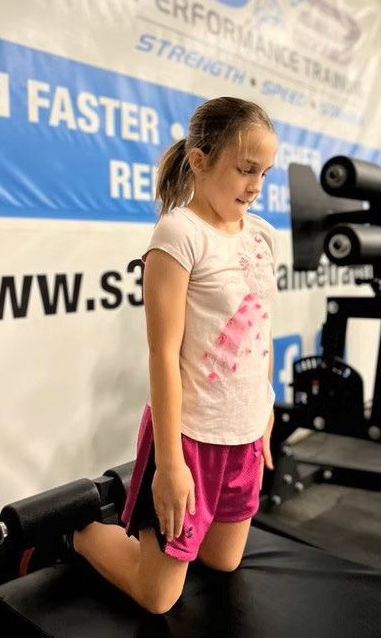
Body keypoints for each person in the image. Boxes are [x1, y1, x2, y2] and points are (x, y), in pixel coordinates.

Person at [73, 96, 279, 614]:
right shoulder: (178, 234)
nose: (256, 186)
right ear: (200, 160)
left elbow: (262, 331)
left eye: (264, 173)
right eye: (245, 169)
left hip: (245, 435)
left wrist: (266, 411)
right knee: (158, 595)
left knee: (224, 562)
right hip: (192, 440)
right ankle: (76, 534)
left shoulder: (263, 235)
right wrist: (170, 464)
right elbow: (162, 356)